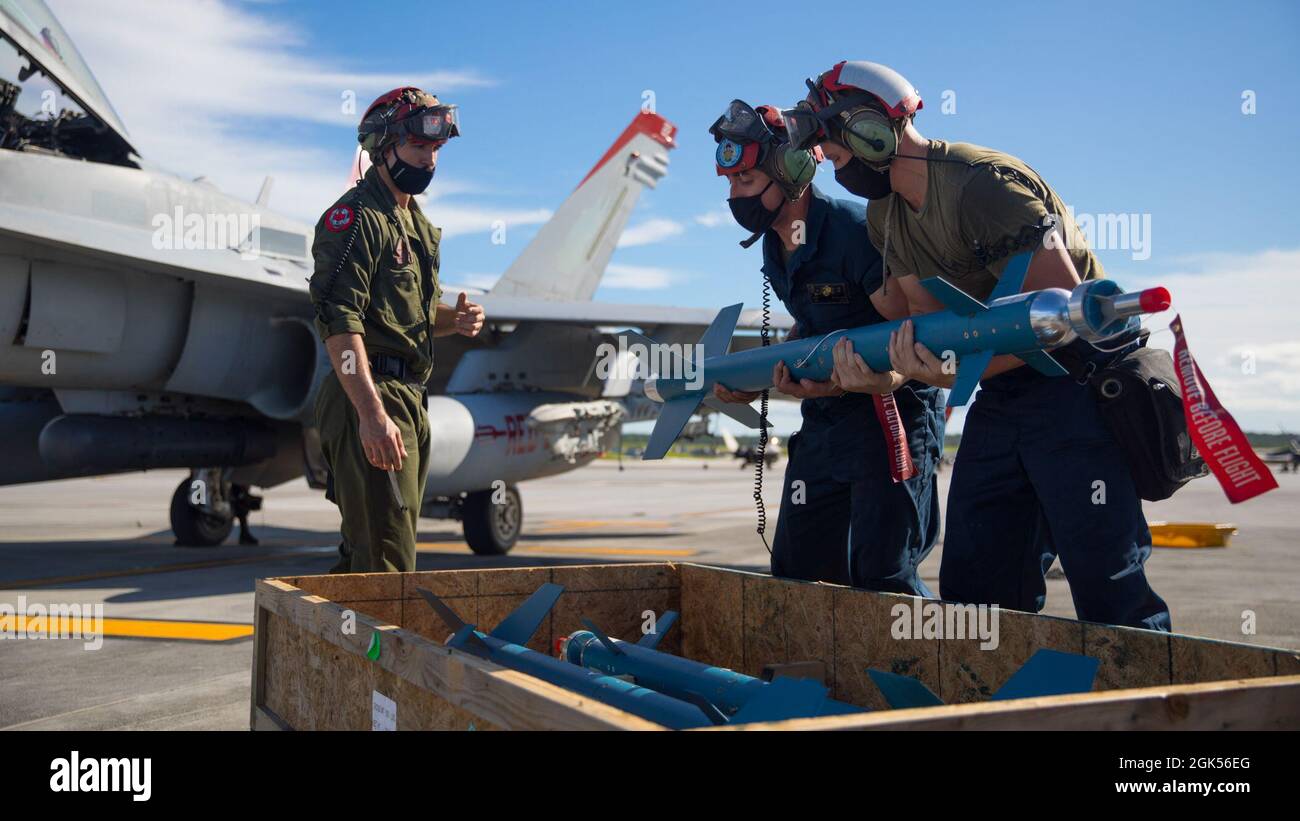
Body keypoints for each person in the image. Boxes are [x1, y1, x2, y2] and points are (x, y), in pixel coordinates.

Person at [785, 61, 1170, 630]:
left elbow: (1058, 312)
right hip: (1004, 389)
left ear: (869, 129)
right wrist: (879, 359)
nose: (833, 167)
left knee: (1106, 581)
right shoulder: (884, 213)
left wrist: (948, 371)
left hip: (1076, 382)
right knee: (975, 588)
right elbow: (926, 321)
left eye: (835, 148)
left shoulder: (982, 184)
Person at [708, 99, 943, 595]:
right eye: (730, 184)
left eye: (745, 182)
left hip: (889, 417)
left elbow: (912, 332)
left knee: (884, 578)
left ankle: (908, 669)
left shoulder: (856, 234)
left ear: (792, 172)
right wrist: (759, 380)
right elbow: (813, 326)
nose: (734, 198)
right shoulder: (776, 242)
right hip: (826, 424)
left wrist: (883, 379)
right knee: (799, 573)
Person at [309, 87, 485, 573]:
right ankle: (367, 648)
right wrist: (370, 414)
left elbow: (408, 316)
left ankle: (332, 645)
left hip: (409, 398)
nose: (429, 160)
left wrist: (456, 320)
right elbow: (341, 323)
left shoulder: (417, 226)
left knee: (375, 553)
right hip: (373, 396)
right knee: (386, 564)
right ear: (384, 147)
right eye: (419, 147)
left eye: (435, 150)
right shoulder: (356, 218)